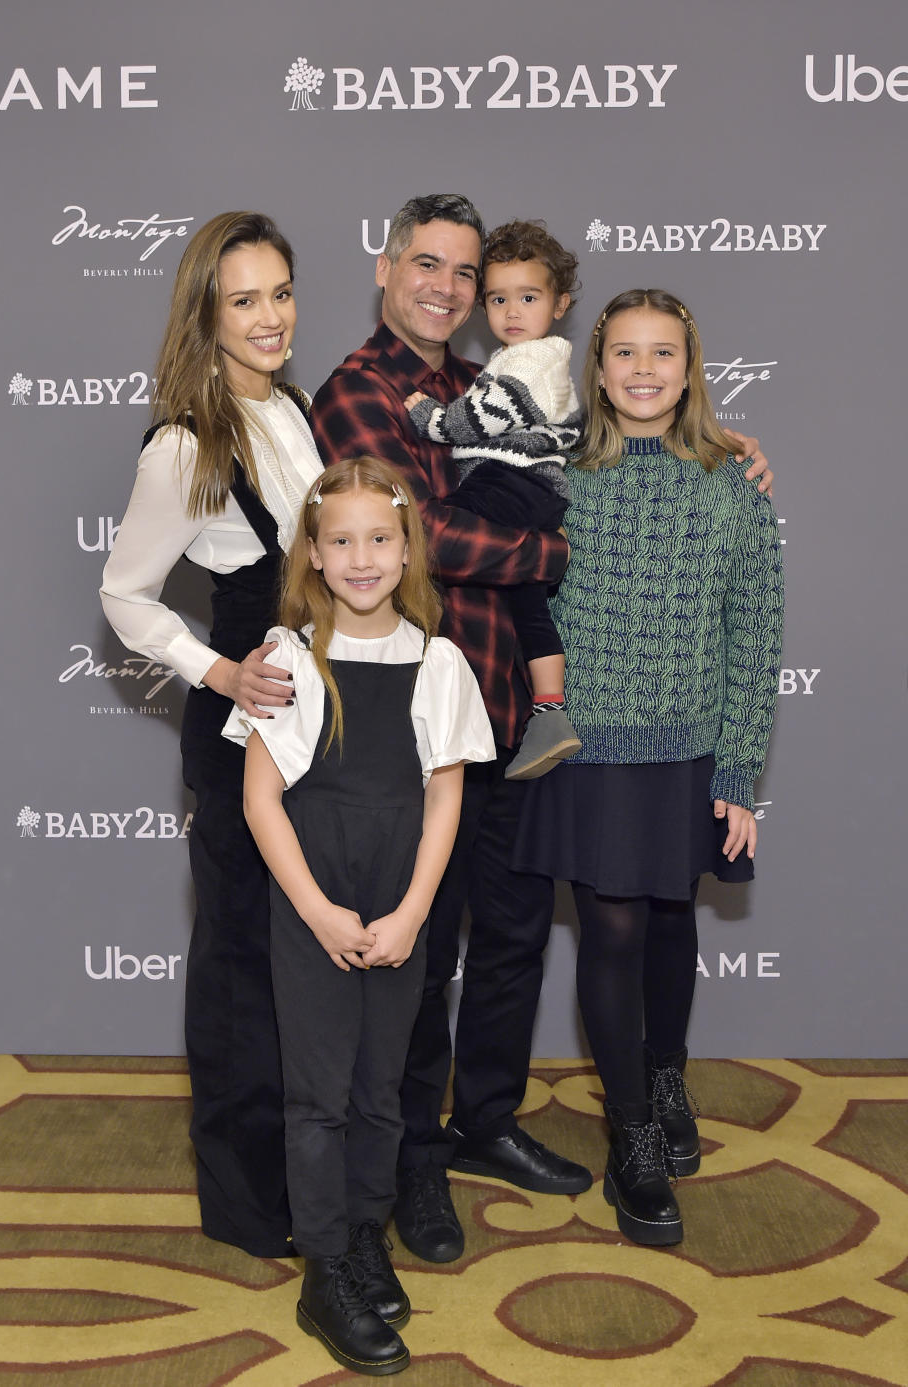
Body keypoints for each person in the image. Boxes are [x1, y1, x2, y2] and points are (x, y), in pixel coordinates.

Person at [310, 195, 774, 1265]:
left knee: (515, 938)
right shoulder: (362, 392)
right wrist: (553, 552)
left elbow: (591, 461)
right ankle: (414, 1166)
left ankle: (485, 1123)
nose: (449, 288)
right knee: (426, 955)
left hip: (516, 720)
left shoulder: (487, 389)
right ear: (386, 268)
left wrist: (723, 444)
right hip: (422, 719)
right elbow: (415, 535)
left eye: (466, 274)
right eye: (426, 265)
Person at [514, 289, 785, 1246]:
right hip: (589, 752)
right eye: (622, 352)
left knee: (673, 921)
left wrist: (738, 772)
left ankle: (666, 1075)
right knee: (614, 932)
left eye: (661, 353)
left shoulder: (731, 485)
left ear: (689, 366)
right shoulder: (553, 478)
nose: (641, 370)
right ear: (595, 367)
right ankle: (629, 1133)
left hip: (692, 752)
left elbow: (755, 637)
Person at [225, 457, 494, 1375]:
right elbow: (263, 801)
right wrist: (317, 912)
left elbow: (445, 797)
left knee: (383, 1088)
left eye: (380, 538)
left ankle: (366, 1231)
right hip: (317, 898)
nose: (362, 556)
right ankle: (324, 1265)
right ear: (312, 552)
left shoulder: (439, 658)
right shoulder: (291, 657)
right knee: (320, 1094)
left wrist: (416, 911)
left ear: (408, 546)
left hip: (398, 901)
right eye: (339, 540)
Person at [100, 212, 322, 1258]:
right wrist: (218, 668)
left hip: (318, 723)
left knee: (300, 956)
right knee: (240, 963)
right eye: (245, 299)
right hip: (242, 727)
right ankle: (246, 1203)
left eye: (280, 292)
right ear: (206, 312)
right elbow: (126, 595)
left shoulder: (298, 409)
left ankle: (305, 1172)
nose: (270, 316)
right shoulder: (188, 441)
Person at [405, 219, 583, 782]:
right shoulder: (514, 358)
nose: (512, 312)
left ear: (560, 304)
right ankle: (551, 708)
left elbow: (483, 415)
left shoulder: (530, 361)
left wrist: (428, 419)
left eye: (528, 298)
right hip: (530, 488)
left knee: (434, 532)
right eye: (499, 299)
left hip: (516, 484)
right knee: (528, 604)